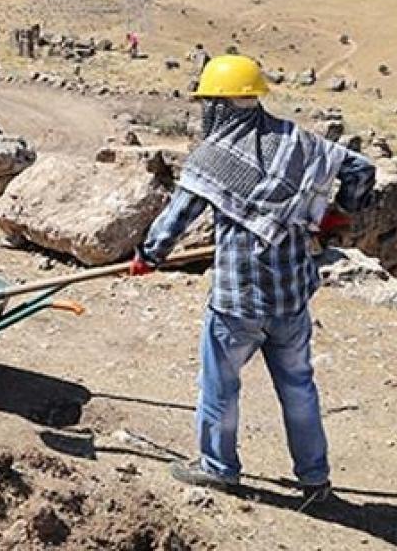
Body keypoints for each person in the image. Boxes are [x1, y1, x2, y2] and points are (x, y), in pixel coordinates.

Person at [129, 55, 375, 503]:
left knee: (220, 386)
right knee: (299, 388)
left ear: (219, 104)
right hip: (292, 299)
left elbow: (177, 217)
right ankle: (315, 480)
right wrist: (341, 213)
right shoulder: (296, 141)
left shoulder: (212, 157)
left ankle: (219, 469)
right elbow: (360, 170)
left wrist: (149, 255)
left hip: (236, 300)